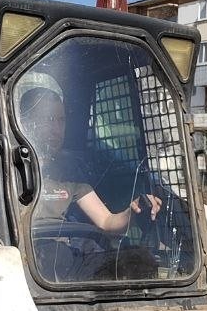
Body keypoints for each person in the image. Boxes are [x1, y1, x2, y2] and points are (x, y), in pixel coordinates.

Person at [20, 87, 161, 232]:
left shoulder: (70, 172)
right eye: (48, 119)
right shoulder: (10, 168)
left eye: (61, 120)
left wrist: (133, 211)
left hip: (59, 250)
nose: (56, 129)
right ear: (25, 124)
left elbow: (106, 221)